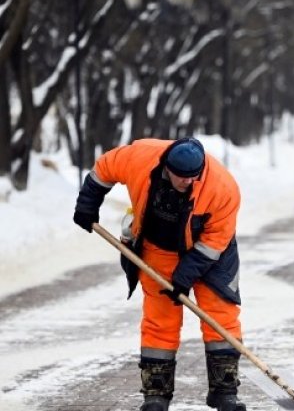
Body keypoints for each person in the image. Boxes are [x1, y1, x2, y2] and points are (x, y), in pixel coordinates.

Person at [73, 137, 246, 411]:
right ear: (167, 166)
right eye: (182, 177)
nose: (188, 182)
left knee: (220, 315)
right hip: (158, 248)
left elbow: (215, 241)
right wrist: (87, 203)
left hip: (213, 252)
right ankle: (156, 394)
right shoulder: (139, 158)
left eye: (194, 177)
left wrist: (184, 277)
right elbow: (104, 168)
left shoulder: (222, 187)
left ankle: (224, 391)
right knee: (159, 318)